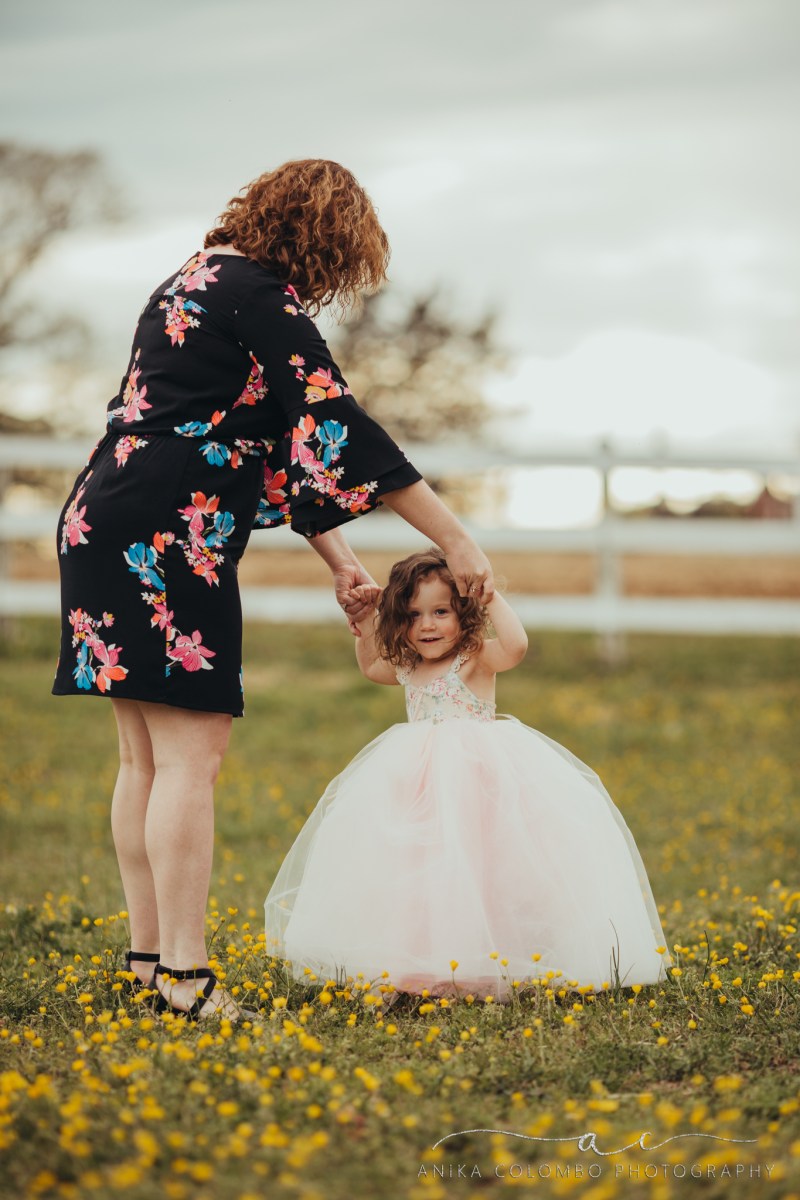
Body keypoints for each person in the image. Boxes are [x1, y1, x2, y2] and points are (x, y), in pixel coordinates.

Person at [52, 159, 493, 1022]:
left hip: (103, 513)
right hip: (169, 530)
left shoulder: (190, 279)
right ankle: (186, 978)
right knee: (191, 759)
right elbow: (337, 424)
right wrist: (455, 537)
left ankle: (150, 964)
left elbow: (271, 443)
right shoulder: (259, 292)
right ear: (324, 238)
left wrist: (338, 559)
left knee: (143, 756)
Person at [264, 548, 671, 1003]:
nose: (427, 625)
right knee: (422, 874)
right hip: (418, 788)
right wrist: (365, 626)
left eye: (440, 612)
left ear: (464, 613)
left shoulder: (474, 657)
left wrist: (490, 594)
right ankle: (421, 964)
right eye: (413, 615)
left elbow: (516, 647)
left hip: (476, 784)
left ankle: (485, 960)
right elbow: (371, 667)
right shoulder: (409, 666)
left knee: (482, 872)